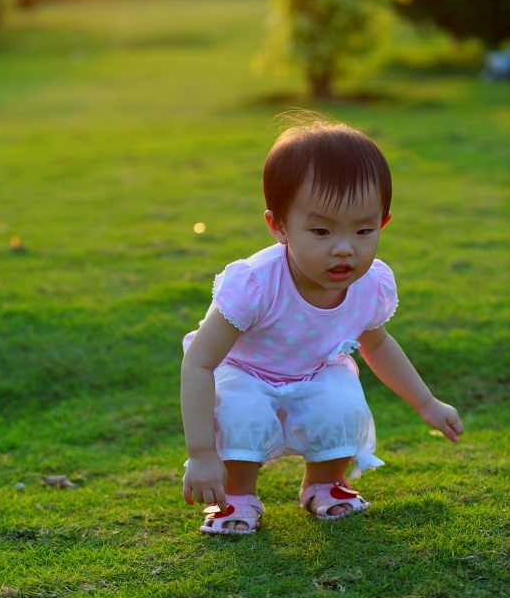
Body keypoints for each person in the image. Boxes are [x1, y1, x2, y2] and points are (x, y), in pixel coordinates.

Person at [180, 113, 464, 534]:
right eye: (320, 231)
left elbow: (378, 344)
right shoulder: (255, 283)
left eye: (364, 230)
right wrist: (202, 454)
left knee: (340, 401)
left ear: (383, 222)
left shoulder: (369, 284)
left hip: (312, 370)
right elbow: (200, 363)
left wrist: (426, 402)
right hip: (244, 372)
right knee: (242, 409)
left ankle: (325, 484)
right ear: (279, 226)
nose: (345, 249)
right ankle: (236, 496)